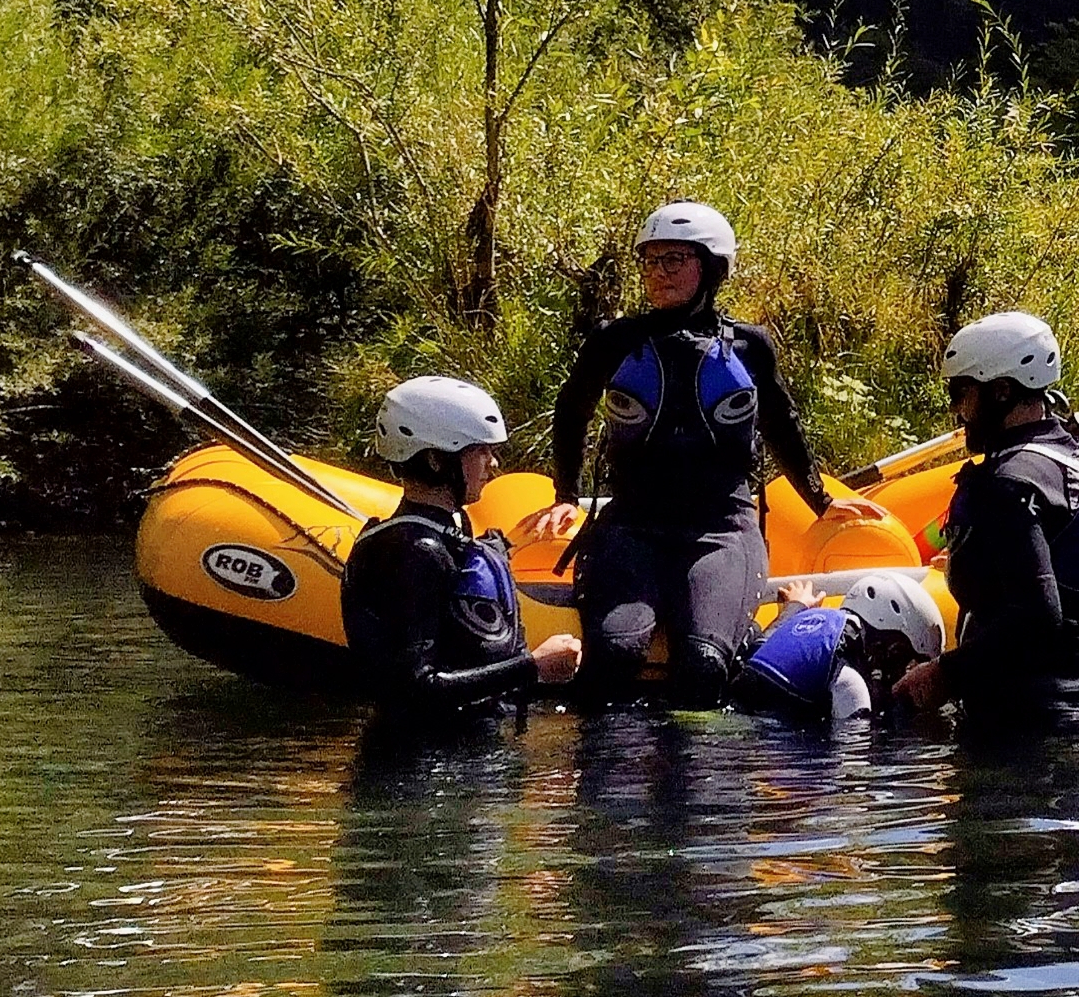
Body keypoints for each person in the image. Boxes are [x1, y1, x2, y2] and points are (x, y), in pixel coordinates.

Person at [545, 202, 831, 705]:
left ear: (712, 267)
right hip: (632, 524)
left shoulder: (749, 347)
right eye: (650, 262)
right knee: (615, 653)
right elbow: (570, 415)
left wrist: (822, 502)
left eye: (674, 260)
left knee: (703, 666)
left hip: (721, 526)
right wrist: (565, 495)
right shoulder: (614, 341)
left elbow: (782, 426)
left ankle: (700, 777)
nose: (658, 273)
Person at [898, 311, 1079, 729]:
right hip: (1076, 708)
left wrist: (944, 675)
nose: (958, 411)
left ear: (1002, 391)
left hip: (1015, 728)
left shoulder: (1007, 485)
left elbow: (1037, 617)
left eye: (962, 393)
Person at [341, 374, 581, 730]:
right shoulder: (413, 552)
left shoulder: (438, 535)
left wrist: (507, 544)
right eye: (479, 451)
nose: (493, 462)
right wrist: (534, 668)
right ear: (437, 461)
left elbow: (459, 572)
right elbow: (415, 689)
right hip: (421, 770)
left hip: (462, 754)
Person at [738, 565, 945, 733]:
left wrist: (795, 606)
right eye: (907, 665)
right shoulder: (849, 680)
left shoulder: (805, 620)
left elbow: (754, 654)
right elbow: (853, 766)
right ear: (889, 649)